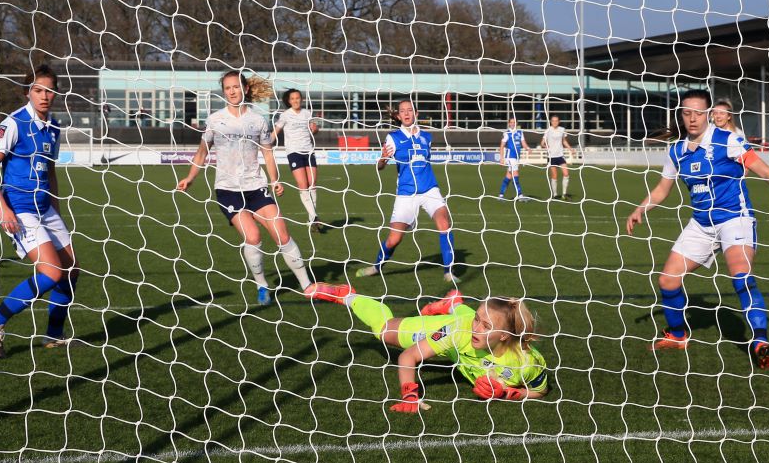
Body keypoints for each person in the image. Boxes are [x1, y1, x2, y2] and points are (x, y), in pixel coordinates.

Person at [626, 89, 769, 369]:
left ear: (708, 113)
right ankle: (677, 335)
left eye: (698, 112)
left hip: (735, 219)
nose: (692, 118)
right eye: (687, 112)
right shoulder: (676, 151)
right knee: (668, 281)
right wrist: (640, 209)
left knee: (740, 276)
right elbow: (663, 189)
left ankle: (759, 340)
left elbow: (765, 172)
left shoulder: (729, 141)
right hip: (701, 223)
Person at [176, 70, 317, 305]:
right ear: (224, 92)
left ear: (246, 89)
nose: (232, 91)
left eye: (236, 87)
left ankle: (307, 284)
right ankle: (262, 285)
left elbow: (267, 153)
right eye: (227, 88)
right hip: (228, 189)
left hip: (256, 187)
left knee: (282, 233)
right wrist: (191, 177)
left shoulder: (257, 120)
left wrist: (274, 180)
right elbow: (202, 151)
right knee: (253, 237)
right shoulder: (215, 120)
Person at [308, 283, 548, 411]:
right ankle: (348, 295)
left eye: (486, 325)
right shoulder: (461, 330)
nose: (477, 328)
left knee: (467, 322)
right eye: (478, 318)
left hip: (464, 329)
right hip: (449, 329)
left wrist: (510, 394)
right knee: (385, 331)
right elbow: (409, 356)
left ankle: (454, 302)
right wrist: (410, 395)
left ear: (505, 336)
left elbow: (541, 391)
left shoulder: (527, 362)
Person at [0, 65, 77, 356]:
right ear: (27, 92)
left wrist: (56, 209)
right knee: (51, 272)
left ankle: (54, 335)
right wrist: (3, 210)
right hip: (20, 209)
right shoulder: (14, 123)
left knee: (71, 271)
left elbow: (51, 171)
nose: (45, 95)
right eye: (38, 90)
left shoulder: (54, 127)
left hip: (45, 208)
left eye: (49, 90)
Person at [357, 98, 457, 282]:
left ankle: (449, 272)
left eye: (410, 110)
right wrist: (383, 160)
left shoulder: (427, 137)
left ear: (416, 113)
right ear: (398, 115)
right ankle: (376, 266)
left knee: (444, 223)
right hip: (406, 192)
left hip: (429, 189)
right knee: (394, 239)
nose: (406, 113)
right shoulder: (393, 137)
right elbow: (380, 165)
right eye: (402, 110)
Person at [272, 88, 322, 233]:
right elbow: (276, 131)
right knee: (303, 184)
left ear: (301, 99)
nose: (295, 100)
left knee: (312, 184)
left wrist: (315, 129)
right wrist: (266, 143)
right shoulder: (285, 115)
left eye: (298, 98)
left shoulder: (307, 113)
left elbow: (314, 130)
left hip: (309, 151)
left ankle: (312, 218)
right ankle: (314, 217)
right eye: (292, 98)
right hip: (294, 152)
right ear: (289, 101)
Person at [540, 115, 574, 200]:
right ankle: (555, 195)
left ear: (559, 122)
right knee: (554, 176)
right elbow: (542, 143)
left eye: (556, 121)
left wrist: (570, 148)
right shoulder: (548, 131)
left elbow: (564, 141)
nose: (554, 122)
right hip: (551, 157)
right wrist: (546, 147)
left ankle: (564, 194)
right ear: (551, 122)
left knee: (566, 173)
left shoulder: (562, 130)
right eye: (553, 121)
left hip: (560, 155)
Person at [497, 117, 529, 200]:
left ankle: (501, 195)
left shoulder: (520, 132)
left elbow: (523, 143)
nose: (512, 124)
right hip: (510, 157)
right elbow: (502, 145)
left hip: (516, 157)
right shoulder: (507, 133)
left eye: (514, 122)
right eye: (511, 122)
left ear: (516, 123)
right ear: (508, 123)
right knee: (516, 175)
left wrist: (528, 148)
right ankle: (520, 195)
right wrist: (501, 158)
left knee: (509, 176)